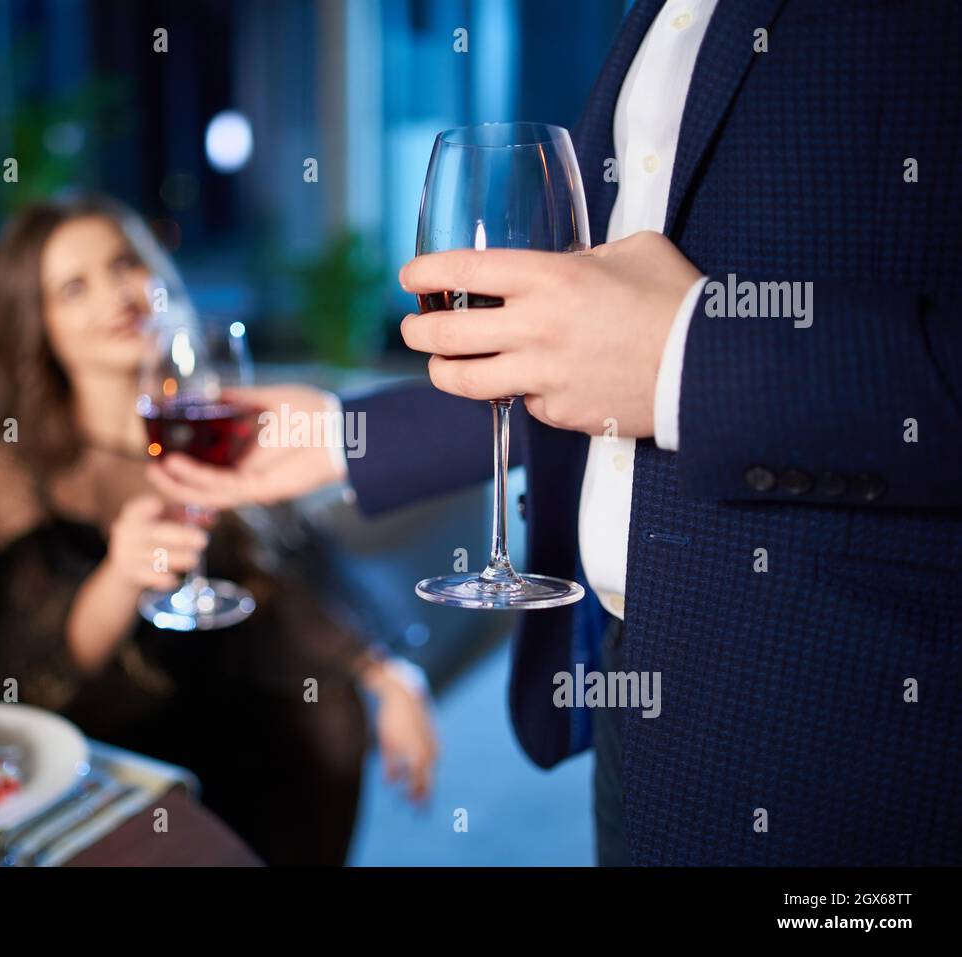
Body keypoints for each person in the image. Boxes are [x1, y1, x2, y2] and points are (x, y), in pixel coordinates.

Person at [148, 0, 962, 865]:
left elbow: (655, 354)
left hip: (866, 735)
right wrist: (342, 436)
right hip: (638, 699)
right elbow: (591, 356)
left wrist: (690, 352)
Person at [0, 195, 438, 866]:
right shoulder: (11, 459)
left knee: (322, 713)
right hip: (103, 712)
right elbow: (49, 659)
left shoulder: (212, 417)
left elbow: (279, 578)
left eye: (124, 263)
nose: (116, 294)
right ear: (36, 325)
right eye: (74, 287)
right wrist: (124, 572)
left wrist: (390, 676)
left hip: (225, 687)